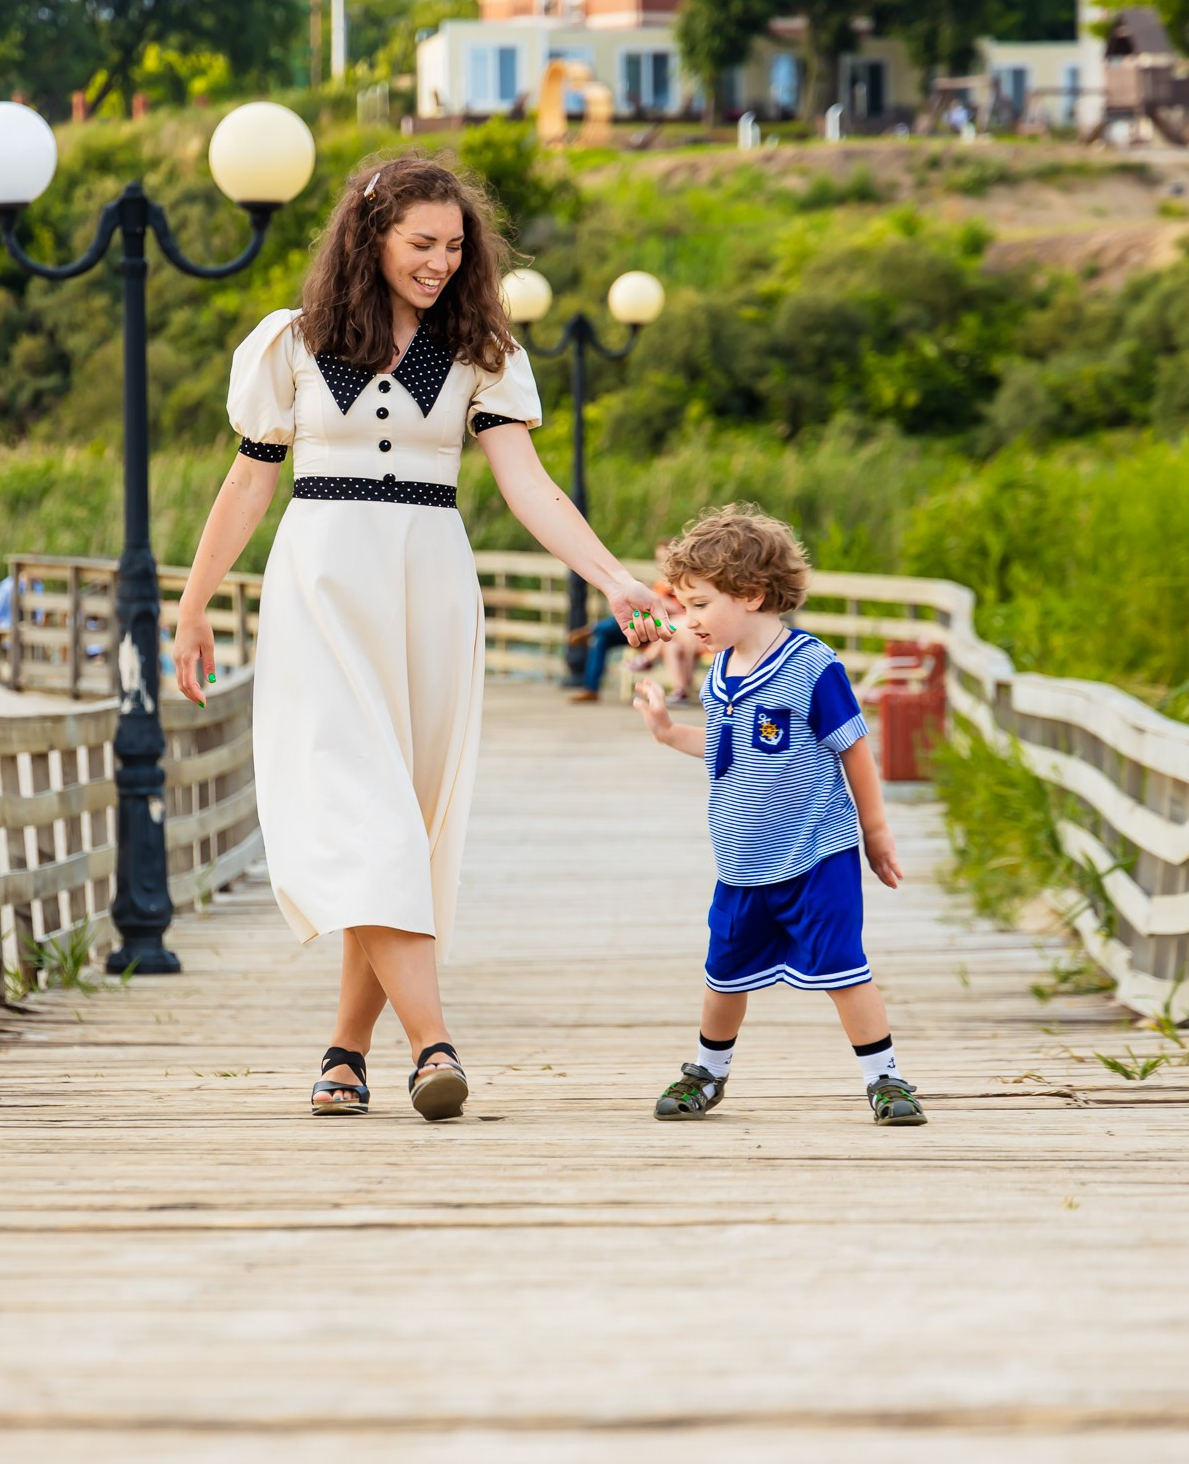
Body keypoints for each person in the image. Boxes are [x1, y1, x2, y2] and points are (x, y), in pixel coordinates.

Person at [171, 154, 667, 1123]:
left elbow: (527, 485)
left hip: (430, 591)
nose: (441, 263)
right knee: (371, 816)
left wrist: (613, 577)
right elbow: (248, 481)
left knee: (405, 818)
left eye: (454, 246)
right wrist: (194, 605)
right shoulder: (294, 343)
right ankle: (431, 1044)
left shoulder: (482, 352)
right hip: (323, 588)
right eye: (421, 244)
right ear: (371, 239)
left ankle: (343, 1053)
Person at [631, 503, 925, 1127]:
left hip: (817, 851)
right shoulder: (719, 672)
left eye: (700, 604)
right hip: (743, 860)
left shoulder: (813, 667)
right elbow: (725, 748)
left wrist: (875, 833)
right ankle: (707, 1072)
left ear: (752, 595)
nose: (689, 619)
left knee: (844, 967)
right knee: (724, 974)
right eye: (684, 604)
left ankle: (885, 1079)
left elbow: (855, 749)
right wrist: (667, 732)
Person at [569, 539, 699, 705]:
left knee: (609, 628)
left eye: (665, 559)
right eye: (658, 559)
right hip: (641, 627)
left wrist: (658, 600)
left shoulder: (682, 583)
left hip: (658, 633)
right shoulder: (659, 584)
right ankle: (590, 689)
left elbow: (683, 612)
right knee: (602, 638)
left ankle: (593, 629)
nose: (661, 563)